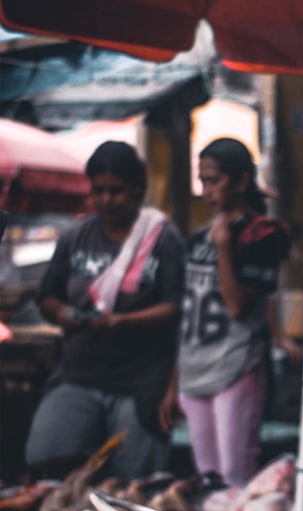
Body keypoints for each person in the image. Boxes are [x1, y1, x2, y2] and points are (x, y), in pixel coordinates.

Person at [25, 141, 185, 479]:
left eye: (117, 190)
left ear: (137, 188)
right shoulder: (76, 237)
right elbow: (47, 296)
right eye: (99, 191)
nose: (107, 199)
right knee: (45, 461)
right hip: (77, 377)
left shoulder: (162, 238)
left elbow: (178, 306)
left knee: (133, 484)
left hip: (141, 384)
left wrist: (123, 322)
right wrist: (66, 315)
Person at [164, 138, 299, 488]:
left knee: (235, 478)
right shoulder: (196, 240)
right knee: (208, 480)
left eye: (215, 180)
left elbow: (239, 306)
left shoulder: (261, 235)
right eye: (203, 181)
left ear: (240, 181)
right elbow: (187, 315)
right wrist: (172, 384)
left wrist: (224, 247)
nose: (207, 190)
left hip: (235, 367)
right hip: (194, 371)